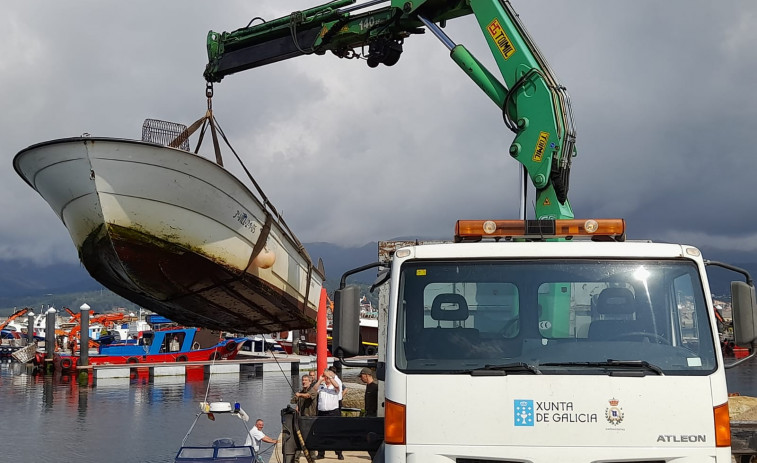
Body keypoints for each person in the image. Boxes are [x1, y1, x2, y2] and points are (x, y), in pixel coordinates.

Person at [315, 368, 344, 460]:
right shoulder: (321, 387)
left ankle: (339, 453)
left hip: (333, 412)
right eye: (325, 378)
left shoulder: (335, 387)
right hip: (322, 413)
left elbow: (337, 386)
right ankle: (321, 453)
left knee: (335, 433)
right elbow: (314, 389)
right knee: (321, 433)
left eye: (327, 378)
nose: (326, 379)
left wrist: (330, 377)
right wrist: (320, 380)